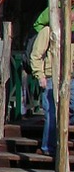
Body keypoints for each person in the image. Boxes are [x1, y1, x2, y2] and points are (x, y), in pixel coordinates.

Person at [29, 8, 56, 155]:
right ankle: (48, 148)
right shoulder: (47, 31)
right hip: (52, 77)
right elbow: (36, 55)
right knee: (51, 113)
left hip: (71, 78)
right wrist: (40, 76)